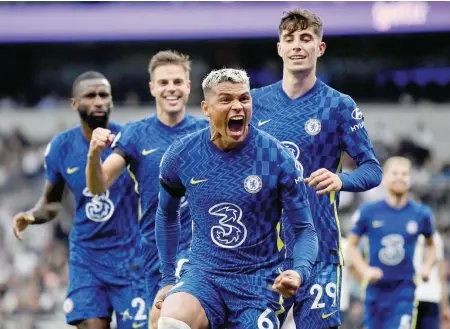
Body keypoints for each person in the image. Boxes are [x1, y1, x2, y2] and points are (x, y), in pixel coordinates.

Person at [153, 68, 318, 329]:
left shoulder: (276, 157)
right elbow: (166, 214)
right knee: (171, 321)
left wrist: (299, 271)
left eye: (244, 98)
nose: (238, 106)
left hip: (258, 282)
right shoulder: (182, 155)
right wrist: (166, 278)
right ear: (206, 107)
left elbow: (304, 229)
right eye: (226, 100)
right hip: (204, 275)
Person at [250, 9, 382, 329]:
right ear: (279, 48)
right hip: (262, 251)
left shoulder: (339, 106)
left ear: (319, 48)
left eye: (306, 38)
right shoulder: (253, 103)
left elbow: (372, 169)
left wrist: (341, 179)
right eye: (289, 39)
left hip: (321, 247)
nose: (297, 45)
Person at [12, 71, 146, 329]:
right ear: (75, 104)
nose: (98, 101)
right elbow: (52, 202)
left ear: (111, 102)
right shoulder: (61, 146)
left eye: (103, 95)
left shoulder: (130, 139)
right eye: (90, 95)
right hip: (87, 259)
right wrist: (32, 215)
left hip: (131, 258)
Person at [85, 51, 208, 327]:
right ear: (152, 87)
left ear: (189, 85)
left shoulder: (207, 131)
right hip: (153, 251)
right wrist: (94, 155)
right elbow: (98, 185)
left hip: (198, 249)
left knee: (171, 319)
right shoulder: (135, 133)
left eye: (178, 81)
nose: (171, 88)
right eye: (163, 82)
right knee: (157, 321)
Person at [348, 156, 436, 329]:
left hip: (404, 292)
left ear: (409, 179)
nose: (399, 178)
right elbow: (351, 245)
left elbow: (432, 244)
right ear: (385, 177)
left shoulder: (421, 213)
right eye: (395, 173)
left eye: (404, 174)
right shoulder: (368, 211)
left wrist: (427, 266)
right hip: (375, 291)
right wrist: (364, 270)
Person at [414, 232, 450, 329]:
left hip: (410, 295)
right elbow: (441, 275)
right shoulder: (435, 236)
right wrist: (445, 306)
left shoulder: (403, 232)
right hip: (431, 296)